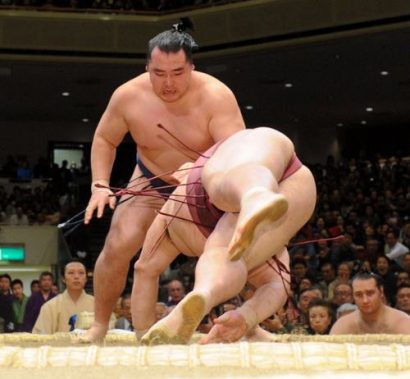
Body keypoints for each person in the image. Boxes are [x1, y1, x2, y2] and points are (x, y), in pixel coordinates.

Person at [82, 21, 245, 342]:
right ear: (147, 68)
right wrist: (99, 184)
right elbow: (104, 139)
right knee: (117, 244)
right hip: (150, 181)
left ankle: (250, 324)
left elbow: (237, 152)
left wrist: (200, 170)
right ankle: (100, 325)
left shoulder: (217, 96)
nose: (168, 83)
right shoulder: (128, 96)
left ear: (192, 67)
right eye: (159, 73)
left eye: (177, 73)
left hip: (205, 187)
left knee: (243, 251)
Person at [131, 127, 317, 344]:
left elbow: (144, 270)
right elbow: (278, 287)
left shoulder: (168, 220)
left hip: (196, 206)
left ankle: (205, 292)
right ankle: (255, 193)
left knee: (222, 245)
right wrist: (247, 317)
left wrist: (142, 333)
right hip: (298, 185)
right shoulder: (225, 154)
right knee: (266, 275)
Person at [330, 272, 410, 334]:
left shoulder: (403, 323)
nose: (365, 300)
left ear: (381, 292)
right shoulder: (343, 325)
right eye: (359, 295)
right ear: (353, 296)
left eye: (370, 293)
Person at [33, 261, 94, 334]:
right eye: (71, 273)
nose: (76, 277)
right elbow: (41, 338)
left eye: (81, 273)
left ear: (86, 278)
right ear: (63, 278)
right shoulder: (49, 307)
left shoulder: (98, 305)